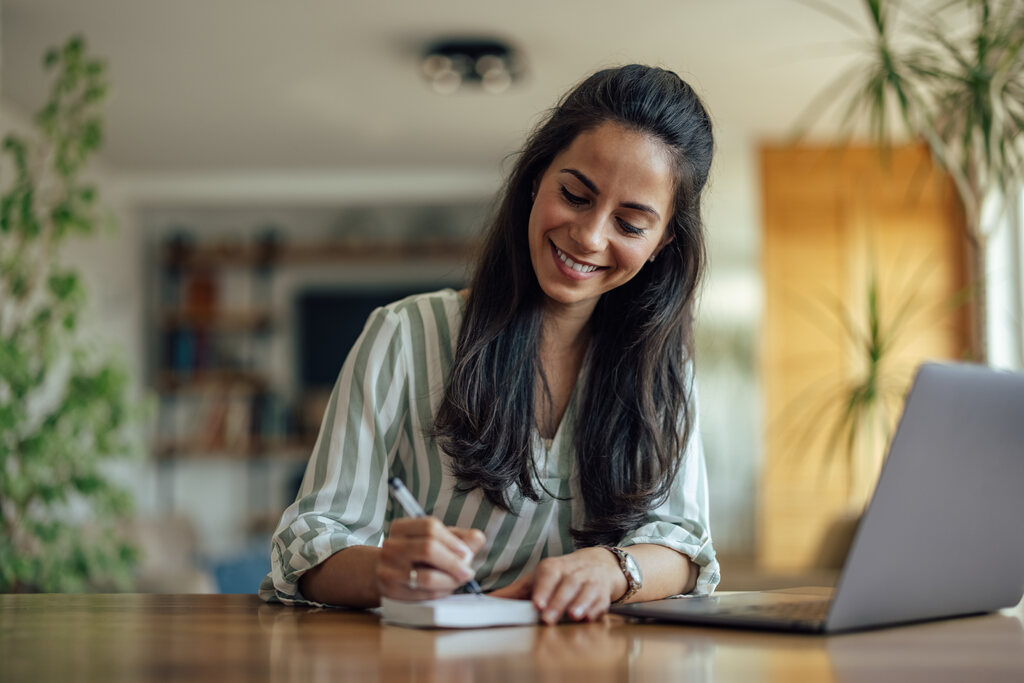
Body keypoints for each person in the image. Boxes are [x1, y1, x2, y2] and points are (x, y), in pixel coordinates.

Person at [260, 64, 720, 624]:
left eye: (629, 224)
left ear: (662, 242)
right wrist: (385, 570)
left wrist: (613, 569)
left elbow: (686, 547)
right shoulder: (403, 335)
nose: (590, 236)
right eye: (575, 195)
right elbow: (306, 544)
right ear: (536, 179)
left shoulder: (662, 369)